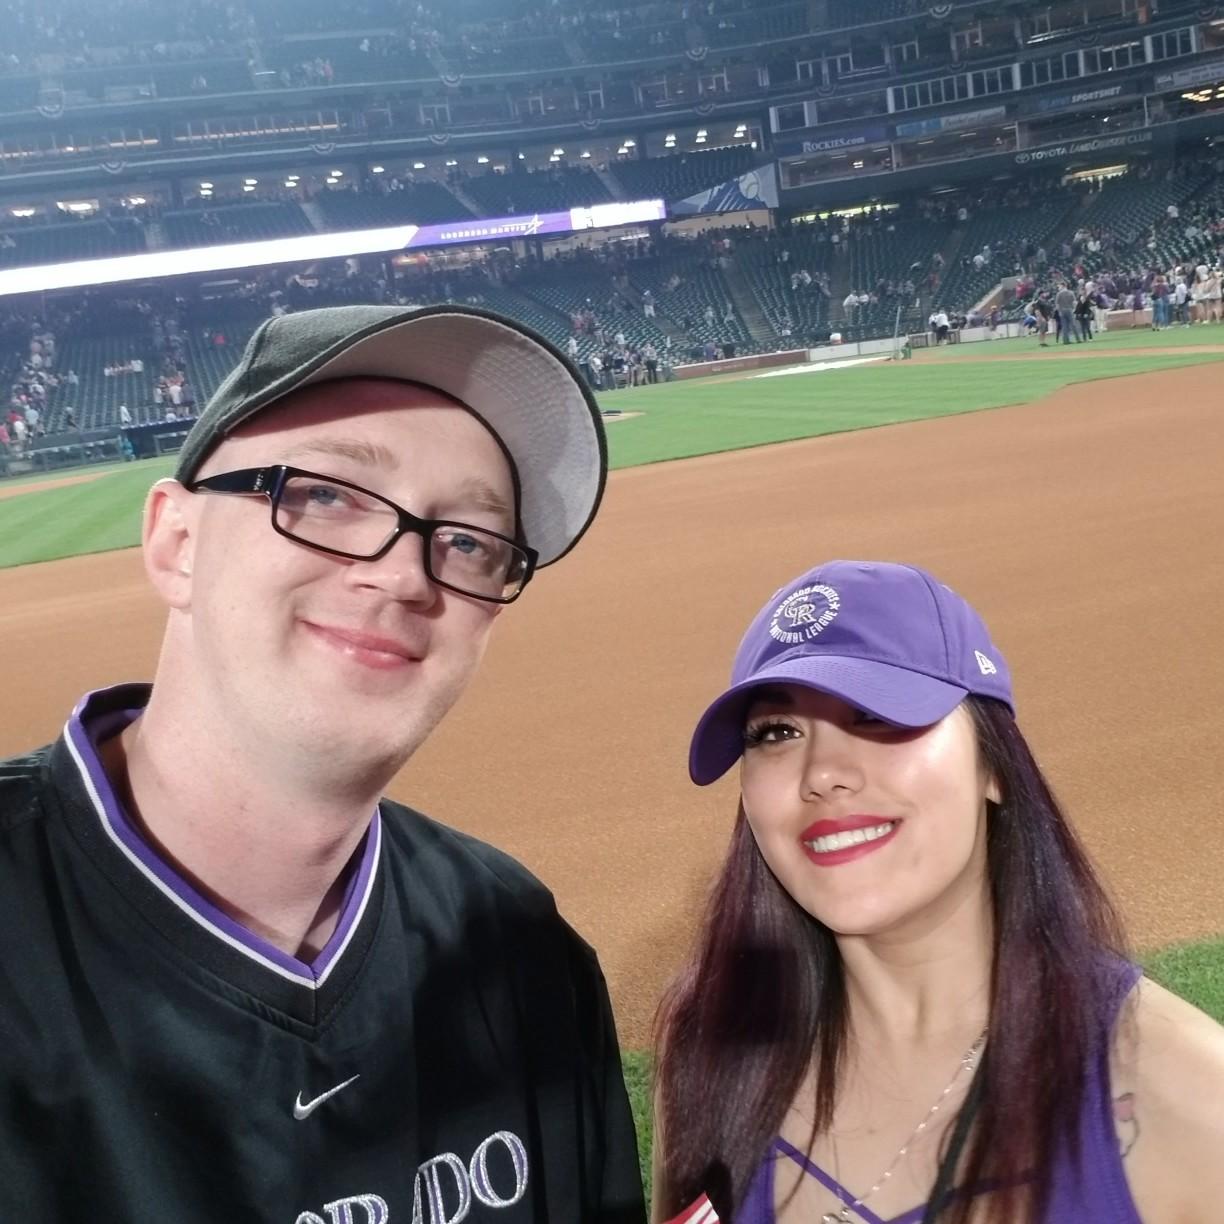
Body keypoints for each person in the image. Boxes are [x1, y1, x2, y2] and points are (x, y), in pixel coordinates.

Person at [0, 304, 645, 1223]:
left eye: (466, 540)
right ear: (176, 543)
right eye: (326, 496)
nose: (405, 575)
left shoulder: (517, 943)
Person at [652, 561, 1224, 1223]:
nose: (824, 774)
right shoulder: (712, 1045)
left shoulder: (1183, 1096)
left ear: (994, 766)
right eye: (776, 733)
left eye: (874, 715)